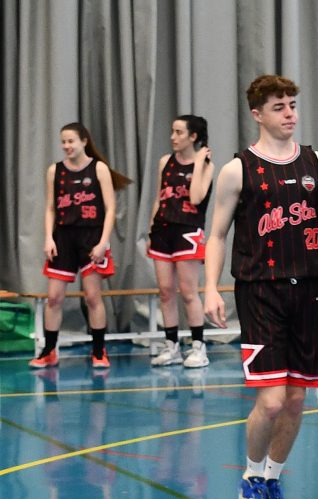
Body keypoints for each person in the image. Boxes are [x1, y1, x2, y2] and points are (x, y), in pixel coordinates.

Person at [203, 75, 318, 499]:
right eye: (279, 106)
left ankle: (272, 480)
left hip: (310, 292)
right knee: (272, 401)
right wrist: (210, 288)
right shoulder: (237, 170)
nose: (289, 114)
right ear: (257, 114)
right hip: (260, 292)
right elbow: (217, 235)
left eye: (293, 105)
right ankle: (250, 479)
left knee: (297, 400)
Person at [30, 123, 132, 369]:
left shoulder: (98, 169)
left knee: (92, 297)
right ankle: (49, 351)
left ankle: (99, 351)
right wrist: (48, 238)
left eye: (71, 141)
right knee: (54, 298)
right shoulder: (55, 171)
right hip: (63, 237)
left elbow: (110, 209)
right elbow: (50, 208)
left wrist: (103, 242)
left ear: (84, 141)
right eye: (63, 142)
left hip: (92, 236)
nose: (66, 146)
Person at [148, 115, 214, 368]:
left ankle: (198, 347)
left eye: (179, 133)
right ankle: (171, 346)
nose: (173, 137)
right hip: (162, 232)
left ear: (193, 137)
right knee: (166, 291)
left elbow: (196, 198)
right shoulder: (165, 162)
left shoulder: (207, 165)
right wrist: (151, 231)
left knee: (188, 292)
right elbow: (159, 198)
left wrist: (197, 164)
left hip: (188, 232)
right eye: (172, 132)